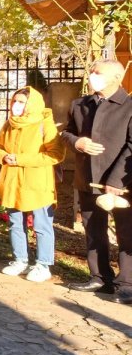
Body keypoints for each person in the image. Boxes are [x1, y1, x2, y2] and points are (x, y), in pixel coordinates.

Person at [62, 59, 132, 302]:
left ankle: (127, 284)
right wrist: (76, 142)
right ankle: (100, 277)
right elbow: (67, 132)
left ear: (116, 77)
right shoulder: (80, 104)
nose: (92, 76)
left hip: (121, 183)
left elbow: (131, 146)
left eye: (98, 73)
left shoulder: (129, 106)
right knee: (93, 230)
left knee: (127, 233)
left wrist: (116, 181)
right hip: (88, 178)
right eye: (91, 72)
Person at [0, 87, 64, 283]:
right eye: (15, 101)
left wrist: (21, 159)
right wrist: (4, 157)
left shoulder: (44, 123)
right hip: (12, 182)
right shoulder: (9, 124)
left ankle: (43, 264)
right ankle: (20, 259)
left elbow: (55, 154)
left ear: (32, 104)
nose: (17, 105)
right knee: (16, 223)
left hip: (37, 183)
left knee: (41, 225)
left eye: (22, 101)